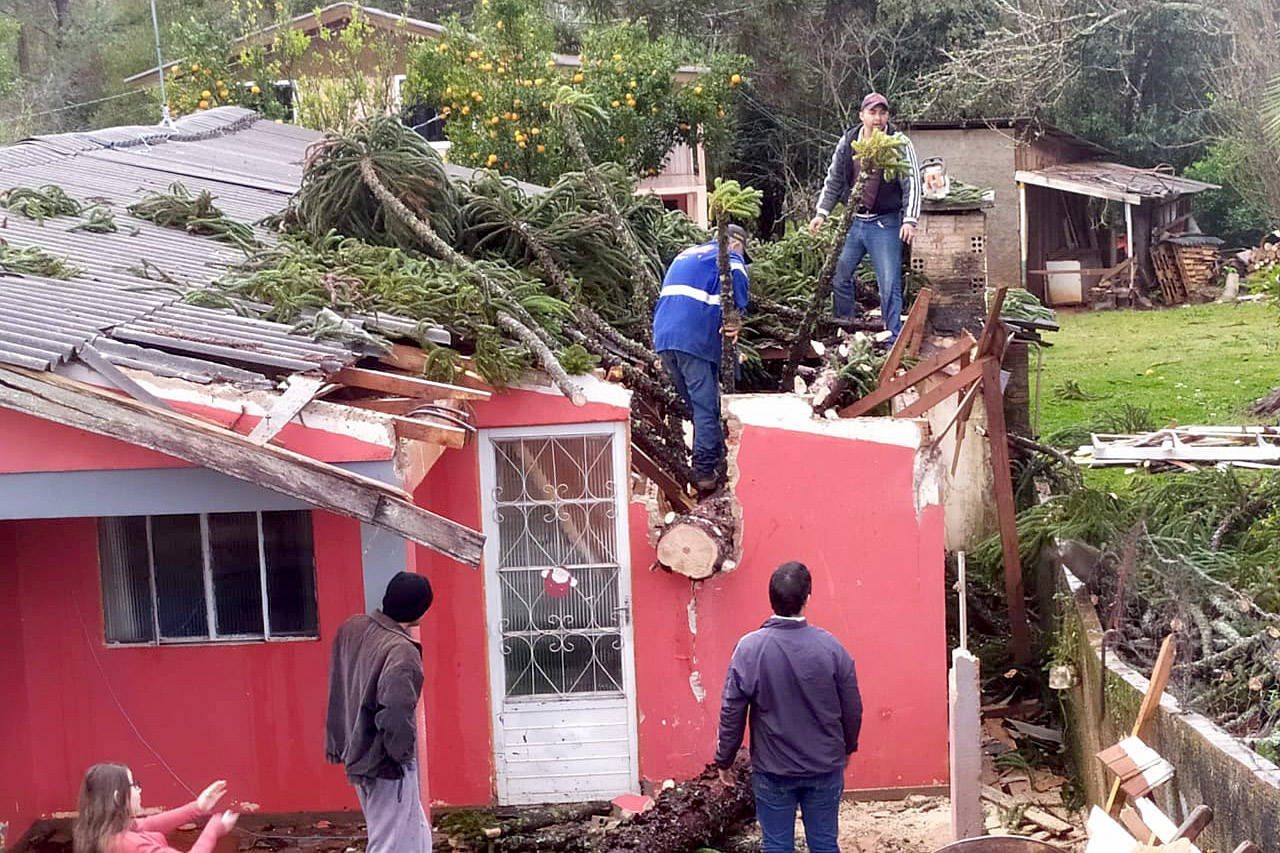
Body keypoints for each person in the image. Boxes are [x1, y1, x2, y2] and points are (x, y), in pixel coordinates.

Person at [713, 561, 862, 853]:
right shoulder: (832, 648)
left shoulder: (749, 649)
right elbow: (853, 707)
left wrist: (725, 760)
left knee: (777, 846)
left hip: (773, 771)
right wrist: (848, 748)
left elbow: (732, 711)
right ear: (808, 597)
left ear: (771, 598)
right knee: (824, 844)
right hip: (824, 767)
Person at [326, 571, 435, 852]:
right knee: (391, 842)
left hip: (356, 748)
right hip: (384, 761)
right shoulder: (401, 650)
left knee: (415, 835)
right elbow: (396, 711)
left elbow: (341, 680)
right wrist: (402, 757)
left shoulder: (353, 628)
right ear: (420, 609)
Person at [809, 92, 921, 341]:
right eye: (872, 113)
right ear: (862, 115)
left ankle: (892, 336)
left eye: (882, 113)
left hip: (885, 222)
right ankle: (845, 329)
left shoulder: (899, 142)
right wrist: (822, 213)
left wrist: (909, 220)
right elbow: (834, 179)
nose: (878, 118)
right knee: (839, 274)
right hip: (853, 221)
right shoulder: (849, 140)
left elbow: (912, 182)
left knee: (889, 282)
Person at [652, 224, 751, 492]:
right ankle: (705, 474)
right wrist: (736, 317)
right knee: (707, 408)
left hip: (664, 338)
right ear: (736, 244)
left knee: (698, 407)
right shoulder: (729, 255)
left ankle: (715, 460)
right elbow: (737, 275)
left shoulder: (687, 254)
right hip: (692, 339)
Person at [72, 764, 237, 853]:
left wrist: (198, 807)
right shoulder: (130, 844)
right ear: (117, 797)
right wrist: (214, 828)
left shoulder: (102, 833)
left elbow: (148, 824)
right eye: (133, 784)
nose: (139, 789)